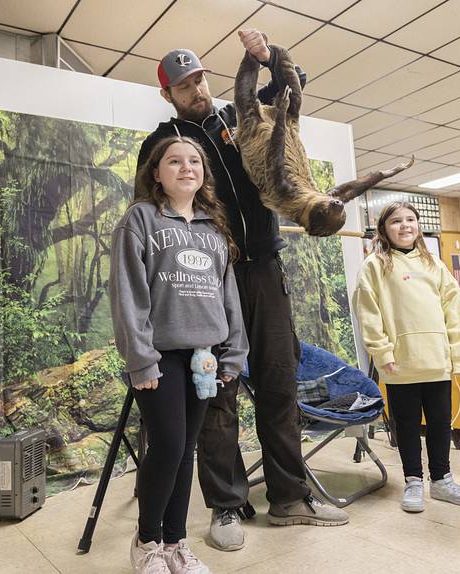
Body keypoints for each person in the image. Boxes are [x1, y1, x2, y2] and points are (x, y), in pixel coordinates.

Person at [137, 29, 349, 551]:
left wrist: (269, 57)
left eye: (200, 78)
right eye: (185, 86)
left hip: (265, 270)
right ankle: (227, 505)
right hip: (206, 280)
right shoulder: (163, 145)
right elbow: (154, 215)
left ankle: (290, 497)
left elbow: (287, 94)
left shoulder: (239, 116)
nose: (198, 89)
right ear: (168, 94)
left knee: (279, 382)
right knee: (216, 393)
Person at [110, 136, 248, 573]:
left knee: (187, 449)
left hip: (204, 357)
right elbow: (128, 294)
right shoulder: (140, 219)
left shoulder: (214, 229)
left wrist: (233, 354)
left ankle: (176, 544)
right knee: (167, 448)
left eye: (194, 161)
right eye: (174, 161)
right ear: (156, 172)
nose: (186, 167)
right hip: (160, 357)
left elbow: (229, 298)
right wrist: (141, 358)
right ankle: (147, 541)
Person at [353, 201, 460, 513]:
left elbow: (455, 310)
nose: (405, 225)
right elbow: (368, 313)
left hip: (436, 360)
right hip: (400, 362)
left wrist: (457, 355)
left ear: (419, 225)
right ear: (384, 228)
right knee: (406, 423)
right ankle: (413, 481)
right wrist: (382, 352)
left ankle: (442, 480)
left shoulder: (434, 264)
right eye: (397, 221)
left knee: (439, 422)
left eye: (411, 219)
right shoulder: (375, 265)